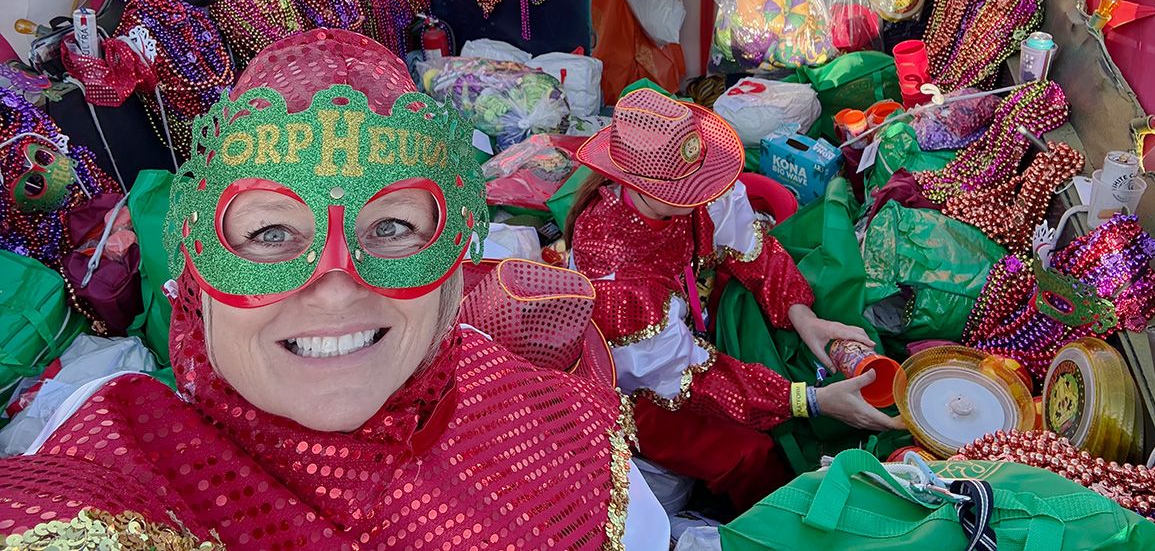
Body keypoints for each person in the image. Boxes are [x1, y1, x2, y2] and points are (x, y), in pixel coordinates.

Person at [0, 29, 668, 549]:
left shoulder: (548, 424)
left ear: (450, 260)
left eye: (394, 226)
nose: (336, 286)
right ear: (198, 271)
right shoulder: (122, 477)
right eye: (269, 234)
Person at [566, 89, 900, 512]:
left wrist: (804, 318)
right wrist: (810, 401)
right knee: (750, 454)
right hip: (641, 389)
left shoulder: (690, 189)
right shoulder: (617, 275)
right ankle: (768, 520)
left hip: (685, 331)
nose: (701, 195)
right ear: (635, 183)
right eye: (686, 190)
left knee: (784, 345)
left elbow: (750, 246)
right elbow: (691, 380)